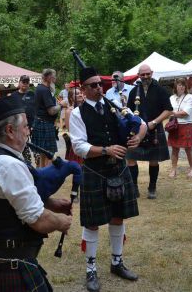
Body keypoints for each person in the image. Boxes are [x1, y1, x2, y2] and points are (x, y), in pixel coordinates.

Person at [0, 95, 72, 291]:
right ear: (10, 130)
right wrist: (62, 222)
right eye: (26, 126)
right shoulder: (7, 165)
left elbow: (6, 197)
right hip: (10, 265)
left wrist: (49, 202)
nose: (29, 131)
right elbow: (39, 220)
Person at [69, 66, 146, 292]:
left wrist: (138, 137)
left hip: (118, 170)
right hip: (95, 171)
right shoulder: (77, 114)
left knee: (118, 217)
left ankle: (116, 262)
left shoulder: (115, 106)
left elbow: (140, 123)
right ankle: (91, 268)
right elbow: (79, 146)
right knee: (93, 222)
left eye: (100, 84)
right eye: (93, 85)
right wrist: (106, 150)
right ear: (83, 89)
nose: (98, 88)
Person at [126, 64, 172, 199]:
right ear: (138, 75)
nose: (145, 77)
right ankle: (134, 187)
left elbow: (168, 110)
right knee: (131, 159)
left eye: (148, 74)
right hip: (136, 129)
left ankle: (152, 187)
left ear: (152, 73)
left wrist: (154, 122)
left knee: (153, 160)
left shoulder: (161, 90)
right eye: (142, 74)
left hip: (154, 129)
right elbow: (129, 111)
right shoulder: (134, 91)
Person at [167, 78, 192, 178]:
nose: (181, 86)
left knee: (188, 149)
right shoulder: (171, 97)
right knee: (175, 149)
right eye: (179, 85)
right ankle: (173, 169)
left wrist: (173, 113)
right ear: (175, 86)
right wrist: (174, 113)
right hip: (174, 125)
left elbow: (185, 113)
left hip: (186, 125)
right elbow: (167, 110)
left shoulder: (189, 97)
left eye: (183, 85)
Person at [33, 68, 61, 167]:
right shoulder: (44, 90)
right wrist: (61, 105)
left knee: (43, 154)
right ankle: (46, 176)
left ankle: (41, 174)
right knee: (49, 154)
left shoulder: (40, 88)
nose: (55, 78)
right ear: (48, 77)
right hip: (44, 124)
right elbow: (52, 111)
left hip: (41, 122)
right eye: (54, 76)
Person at [12, 75, 37, 163]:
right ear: (19, 83)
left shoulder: (33, 94)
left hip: (33, 125)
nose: (25, 84)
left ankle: (38, 171)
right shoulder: (14, 95)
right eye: (23, 82)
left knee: (37, 151)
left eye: (27, 82)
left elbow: (37, 109)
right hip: (20, 126)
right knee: (25, 152)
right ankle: (28, 168)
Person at [64, 86, 84, 164]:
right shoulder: (69, 111)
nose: (80, 95)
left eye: (80, 93)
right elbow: (70, 130)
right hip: (77, 142)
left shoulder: (85, 108)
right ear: (71, 98)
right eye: (77, 94)